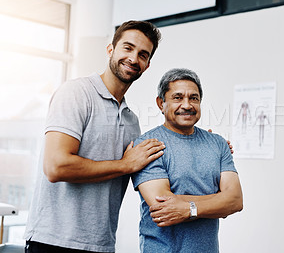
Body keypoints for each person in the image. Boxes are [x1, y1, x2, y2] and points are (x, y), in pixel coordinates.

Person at [23, 20, 165, 253]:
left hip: (101, 246)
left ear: (147, 65)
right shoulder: (76, 93)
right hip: (53, 242)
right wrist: (124, 165)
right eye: (127, 48)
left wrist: (203, 142)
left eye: (142, 54)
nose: (133, 58)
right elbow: (56, 167)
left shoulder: (132, 121)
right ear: (111, 49)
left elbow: (146, 169)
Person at [132, 68, 243, 253]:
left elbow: (236, 200)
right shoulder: (147, 145)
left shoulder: (218, 144)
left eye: (194, 98)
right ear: (161, 103)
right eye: (177, 97)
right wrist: (219, 201)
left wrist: (188, 209)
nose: (187, 105)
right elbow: (162, 206)